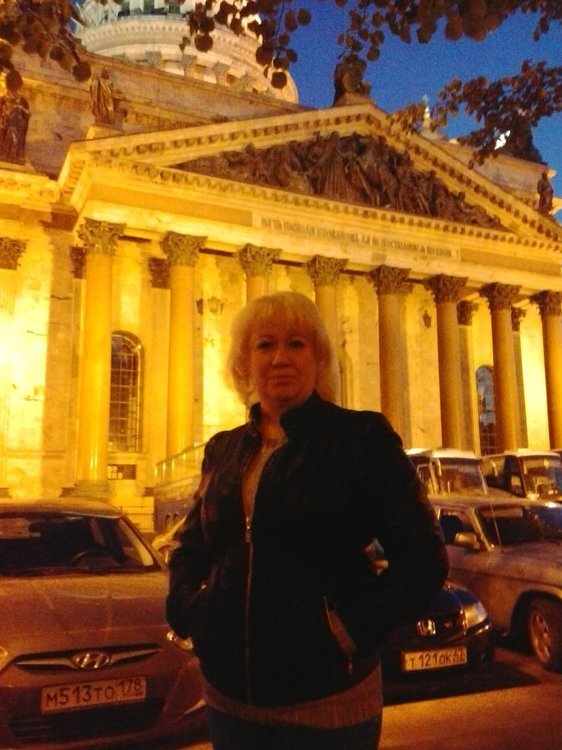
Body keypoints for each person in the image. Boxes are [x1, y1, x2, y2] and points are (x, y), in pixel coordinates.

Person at [166, 290, 448, 750]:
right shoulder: (223, 449)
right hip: (228, 701)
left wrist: (346, 633)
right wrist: (188, 611)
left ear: (318, 359)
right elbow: (192, 544)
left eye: (296, 344)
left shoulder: (360, 438)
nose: (280, 357)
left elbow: (424, 559)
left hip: (328, 704)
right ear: (245, 362)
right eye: (265, 344)